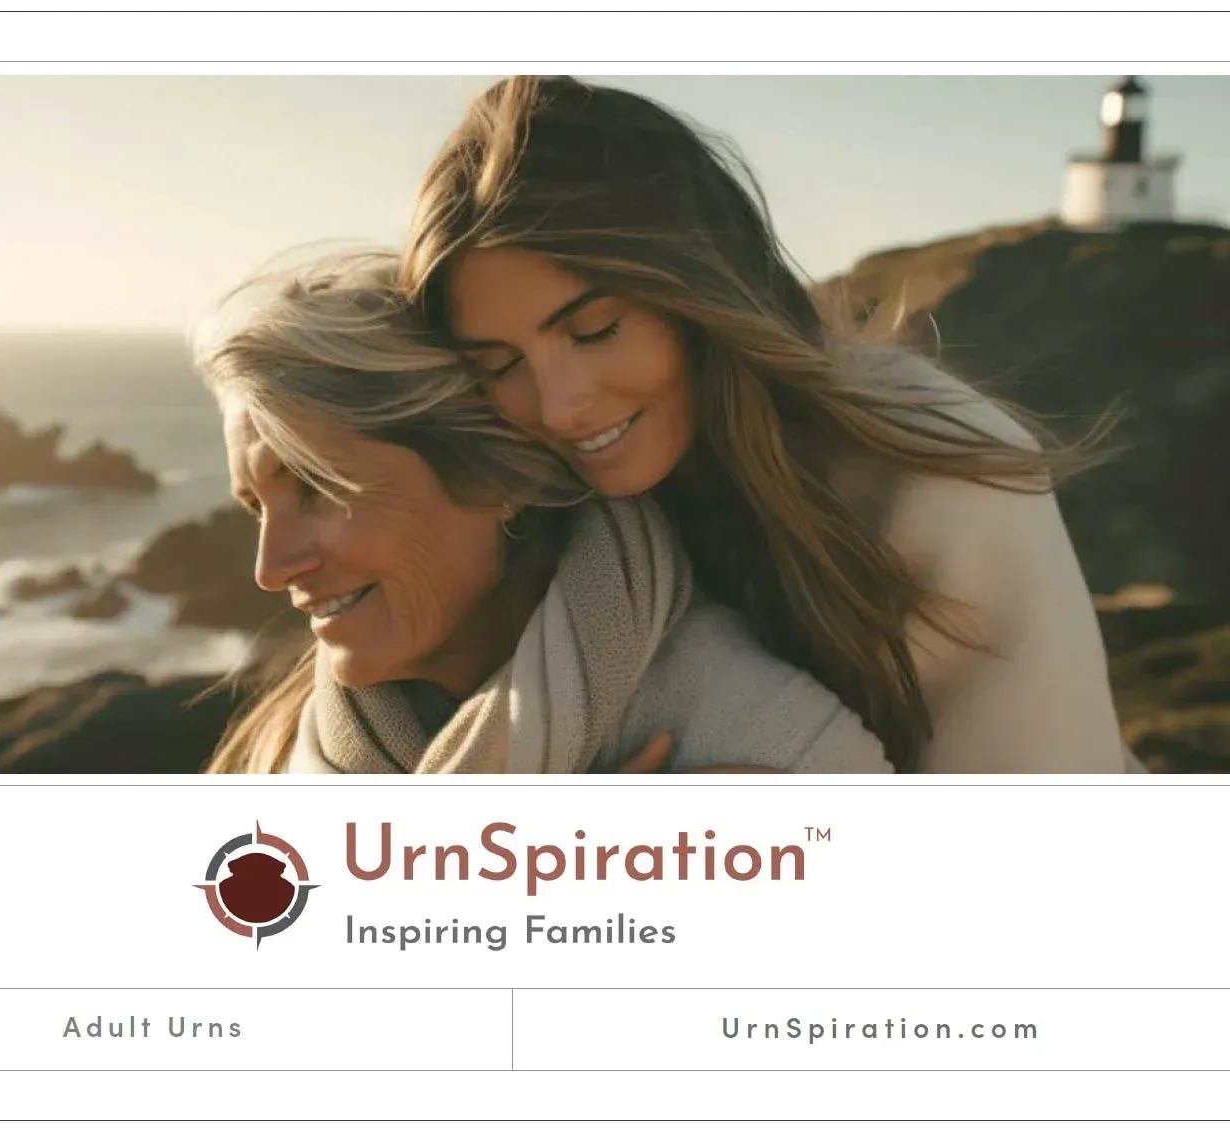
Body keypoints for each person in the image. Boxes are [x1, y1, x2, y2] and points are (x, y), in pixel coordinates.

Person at [401, 76, 1144, 774]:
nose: (558, 406)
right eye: (497, 366)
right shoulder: (532, 498)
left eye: (594, 329)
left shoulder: (936, 477)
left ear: (700, 290)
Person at [192, 251, 892, 775]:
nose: (269, 567)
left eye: (318, 487)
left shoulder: (763, 741)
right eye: (257, 507)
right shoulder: (289, 755)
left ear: (496, 473)